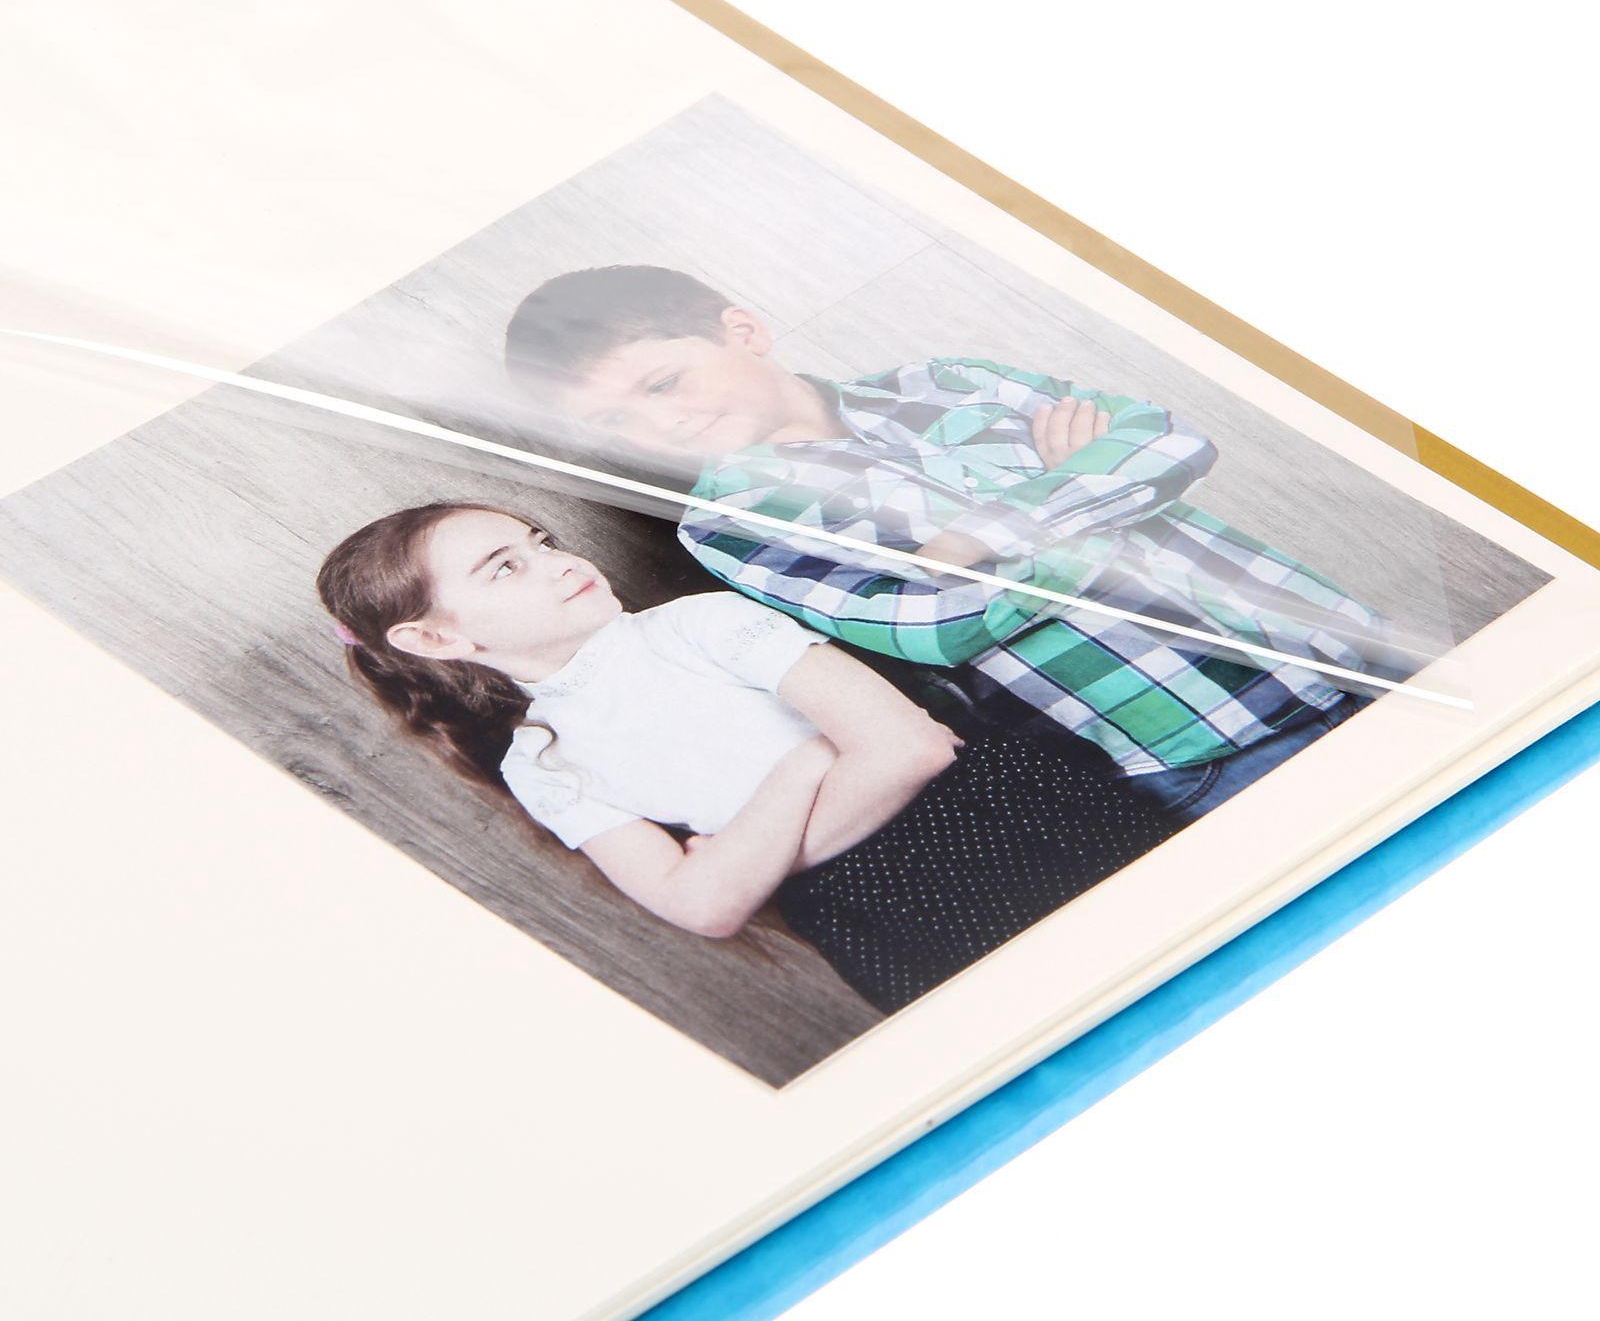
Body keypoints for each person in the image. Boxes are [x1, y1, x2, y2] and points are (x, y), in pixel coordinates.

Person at [504, 265, 1386, 825]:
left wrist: (980, 537)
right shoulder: (733, 525)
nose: (662, 423)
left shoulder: (946, 381)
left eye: (663, 382)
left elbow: (1166, 440)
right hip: (1204, 743)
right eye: (616, 422)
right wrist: (1081, 490)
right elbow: (936, 625)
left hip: (1338, 643)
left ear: (743, 332)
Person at [316, 502, 1177, 1013]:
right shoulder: (538, 763)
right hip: (878, 921)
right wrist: (806, 766)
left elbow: (913, 748)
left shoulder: (701, 623)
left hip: (1001, 828)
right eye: (505, 568)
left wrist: (742, 856)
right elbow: (703, 908)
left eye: (540, 540)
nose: (556, 562)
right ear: (434, 638)